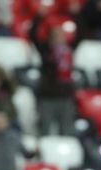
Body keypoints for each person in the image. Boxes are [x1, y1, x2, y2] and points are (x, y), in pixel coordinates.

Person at [30, 7, 78, 136]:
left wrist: (76, 15)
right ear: (50, 37)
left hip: (65, 97)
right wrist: (38, 18)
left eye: (61, 34)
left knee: (67, 133)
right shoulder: (46, 51)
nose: (59, 37)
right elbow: (33, 35)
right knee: (44, 132)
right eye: (55, 34)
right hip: (48, 98)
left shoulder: (69, 50)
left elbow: (81, 34)